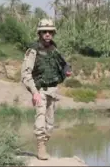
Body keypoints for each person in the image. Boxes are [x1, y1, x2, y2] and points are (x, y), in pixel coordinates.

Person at [21, 18, 72, 160]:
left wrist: (67, 70)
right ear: (40, 33)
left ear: (53, 33)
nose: (47, 34)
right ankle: (40, 149)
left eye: (50, 31)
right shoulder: (33, 51)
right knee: (40, 118)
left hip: (53, 90)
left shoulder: (54, 49)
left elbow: (64, 64)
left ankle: (44, 143)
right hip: (40, 91)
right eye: (45, 32)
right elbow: (25, 74)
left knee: (50, 125)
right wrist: (34, 92)